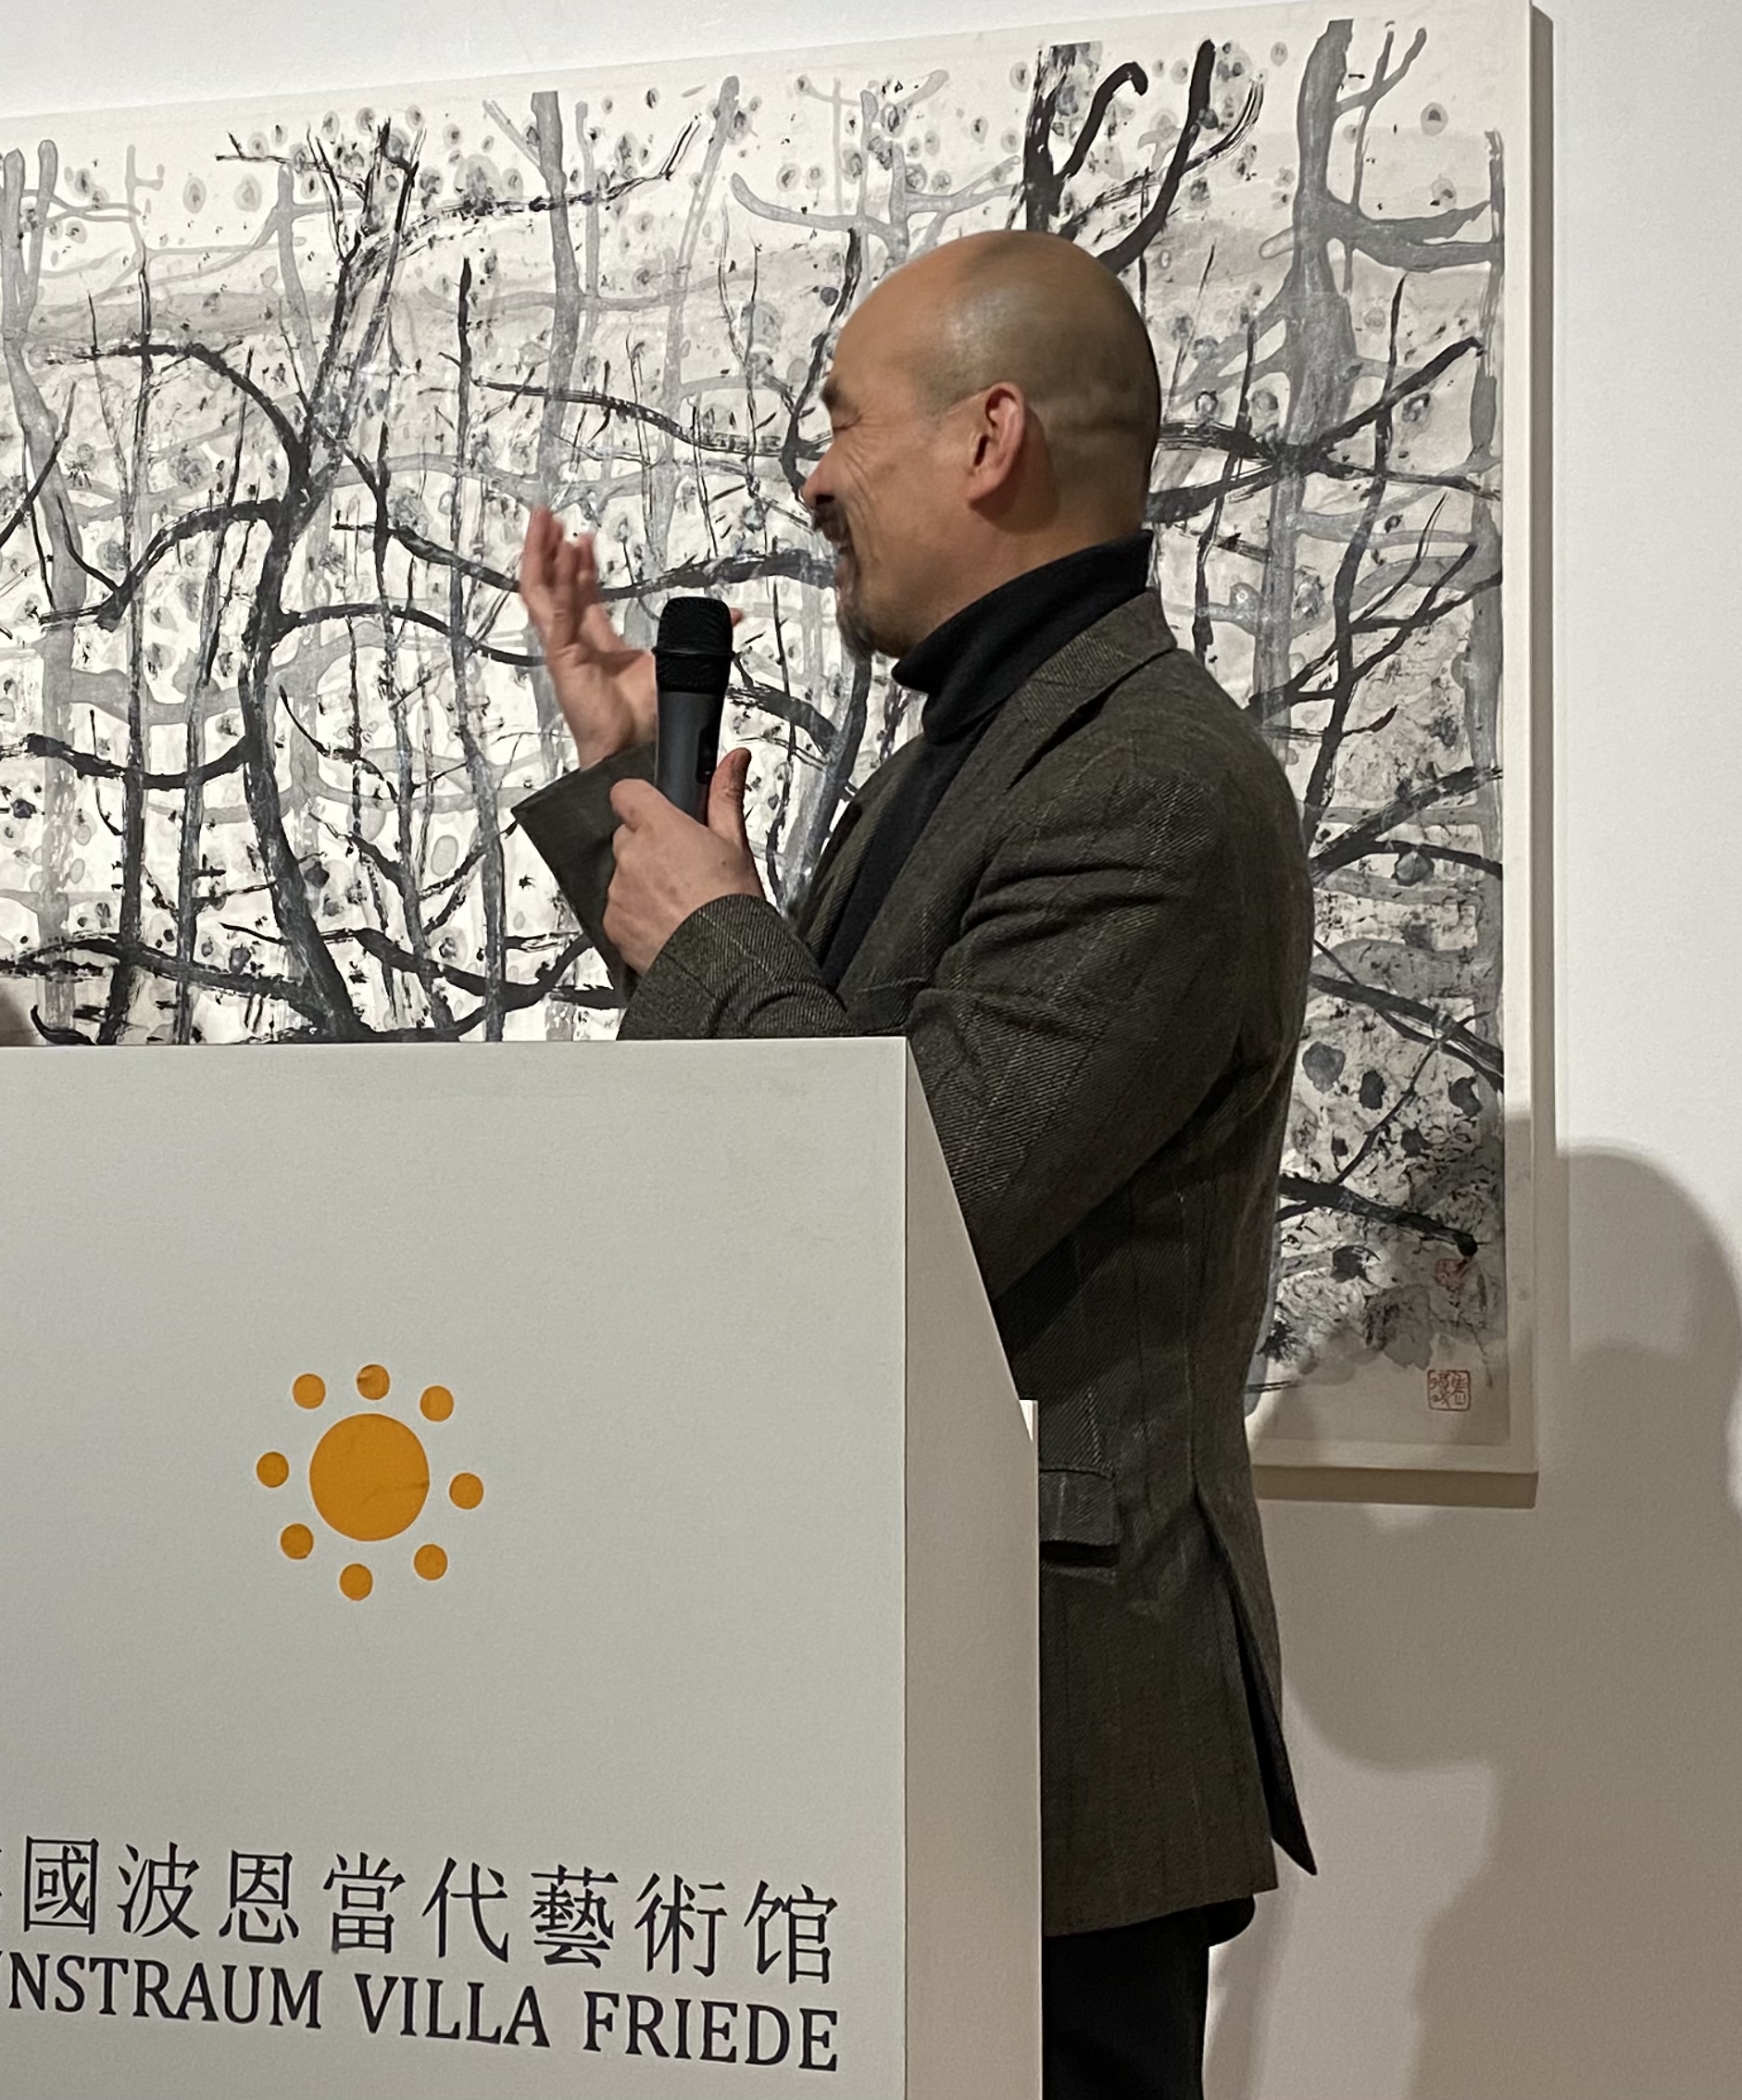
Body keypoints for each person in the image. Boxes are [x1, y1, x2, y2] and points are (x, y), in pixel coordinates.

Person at [513, 231, 1314, 2100]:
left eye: (842, 423)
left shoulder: (1152, 787)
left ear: (988, 438)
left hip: (1043, 1734)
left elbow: (905, 1202)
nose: (812, 478)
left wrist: (721, 931)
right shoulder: (974, 754)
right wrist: (638, 806)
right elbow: (776, 1133)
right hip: (885, 1679)